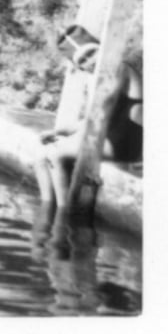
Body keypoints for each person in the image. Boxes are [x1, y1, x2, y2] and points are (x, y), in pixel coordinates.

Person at [33, 26, 142, 206]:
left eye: (92, 53)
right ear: (80, 67)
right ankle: (47, 209)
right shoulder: (98, 79)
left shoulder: (119, 69)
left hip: (128, 144)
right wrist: (57, 132)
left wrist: (70, 138)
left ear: (102, 50)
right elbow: (90, 119)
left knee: (57, 155)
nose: (90, 60)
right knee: (40, 157)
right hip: (108, 141)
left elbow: (100, 114)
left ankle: (63, 215)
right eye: (83, 60)